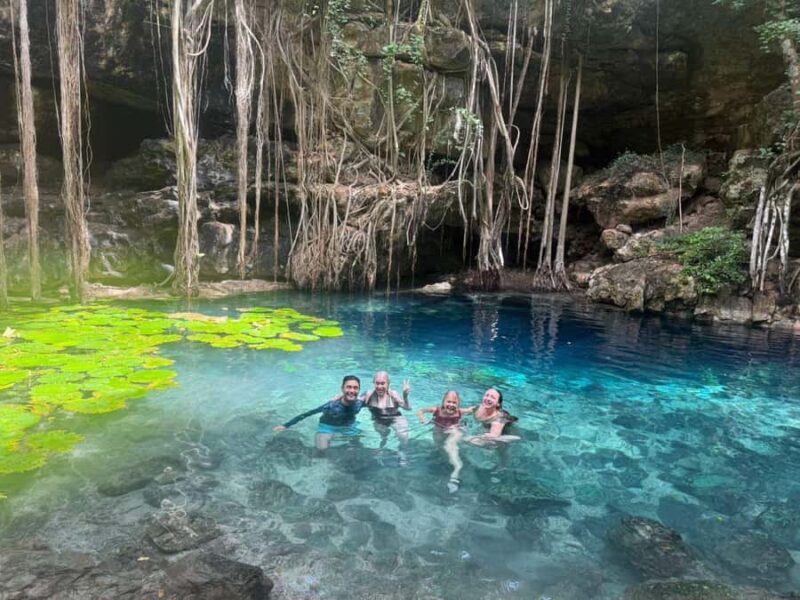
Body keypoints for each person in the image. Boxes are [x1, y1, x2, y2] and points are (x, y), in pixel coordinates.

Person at [273, 375, 365, 451]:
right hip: (327, 428)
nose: (352, 391)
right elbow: (308, 413)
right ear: (342, 389)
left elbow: (370, 395)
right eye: (349, 387)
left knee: (358, 446)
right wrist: (286, 425)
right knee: (321, 450)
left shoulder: (359, 403)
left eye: (355, 388)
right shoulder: (331, 406)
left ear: (359, 390)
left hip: (348, 426)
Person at [416, 390, 475, 492]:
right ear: (443, 402)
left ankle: (455, 472)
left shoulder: (460, 412)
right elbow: (420, 411)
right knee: (439, 448)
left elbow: (471, 410)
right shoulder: (436, 410)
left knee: (451, 447)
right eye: (448, 401)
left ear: (458, 404)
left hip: (452, 432)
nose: (451, 405)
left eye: (454, 403)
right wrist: (422, 419)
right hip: (438, 432)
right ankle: (446, 462)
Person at [364, 371, 411, 461]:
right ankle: (383, 443)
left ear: (388, 384)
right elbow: (356, 401)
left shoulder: (393, 394)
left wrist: (405, 397)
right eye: (377, 383)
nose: (379, 386)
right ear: (373, 383)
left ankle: (402, 451)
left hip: (395, 418)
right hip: (379, 420)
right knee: (383, 434)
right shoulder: (369, 395)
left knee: (403, 433)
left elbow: (408, 408)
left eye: (383, 383)